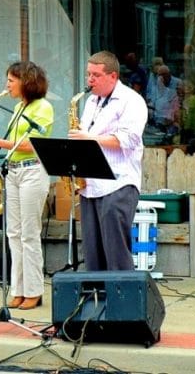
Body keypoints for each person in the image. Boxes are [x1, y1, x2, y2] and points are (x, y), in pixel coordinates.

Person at [0, 61, 53, 310]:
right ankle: (18, 289)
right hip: (14, 171)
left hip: (32, 170)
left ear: (26, 82)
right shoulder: (19, 107)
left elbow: (32, 144)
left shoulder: (43, 107)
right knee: (13, 233)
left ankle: (34, 291)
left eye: (11, 80)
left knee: (29, 234)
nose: (7, 85)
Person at [68, 50, 148, 271]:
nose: (90, 80)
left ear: (113, 76)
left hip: (118, 183)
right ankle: (96, 291)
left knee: (116, 253)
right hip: (91, 185)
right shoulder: (92, 101)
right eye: (88, 74)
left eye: (96, 75)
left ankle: (122, 292)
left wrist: (89, 138)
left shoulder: (132, 100)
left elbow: (129, 140)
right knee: (92, 254)